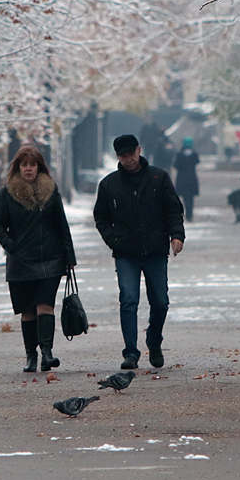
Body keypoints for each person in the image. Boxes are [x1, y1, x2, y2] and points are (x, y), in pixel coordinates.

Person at [94, 134, 185, 370]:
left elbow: (173, 209)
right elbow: (101, 217)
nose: (128, 160)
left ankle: (154, 341)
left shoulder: (158, 177)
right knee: (129, 300)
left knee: (160, 302)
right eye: (123, 156)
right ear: (117, 157)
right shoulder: (109, 184)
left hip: (155, 251)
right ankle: (131, 352)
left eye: (131, 154)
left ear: (139, 150)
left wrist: (176, 235)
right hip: (126, 253)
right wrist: (112, 239)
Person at [0, 145, 77, 373]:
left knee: (45, 305)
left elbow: (61, 225)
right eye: (24, 164)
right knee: (27, 310)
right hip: (21, 262)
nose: (28, 169)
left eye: (33, 164)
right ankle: (31, 356)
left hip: (51, 259)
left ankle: (47, 353)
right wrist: (12, 246)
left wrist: (69, 257)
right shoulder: (7, 193)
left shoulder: (51, 191)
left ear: (39, 167)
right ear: (18, 167)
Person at [172, 136, 201, 222]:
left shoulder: (179, 155)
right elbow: (197, 162)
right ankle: (190, 214)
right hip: (192, 178)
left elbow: (176, 165)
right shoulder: (194, 155)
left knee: (184, 198)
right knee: (191, 198)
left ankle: (185, 214)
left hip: (182, 178)